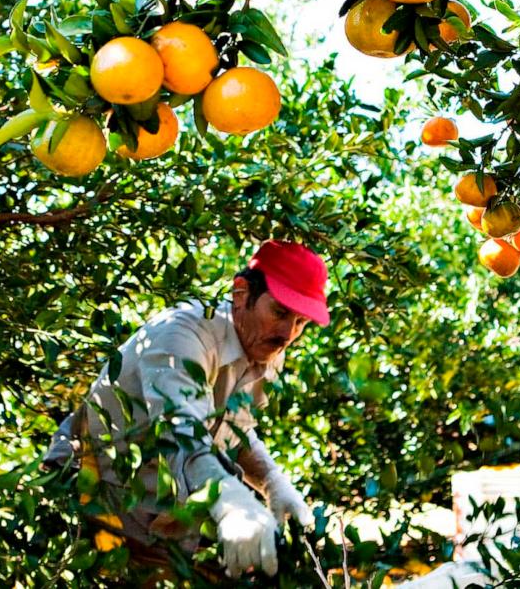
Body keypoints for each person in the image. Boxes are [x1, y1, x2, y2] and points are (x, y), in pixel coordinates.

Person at [44, 239, 330, 578]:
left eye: (301, 322)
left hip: (160, 510)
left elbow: (233, 432)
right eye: (280, 312)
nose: (288, 334)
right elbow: (180, 432)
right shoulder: (180, 336)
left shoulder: (265, 347)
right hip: (94, 496)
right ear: (241, 294)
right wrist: (228, 499)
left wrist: (271, 481)